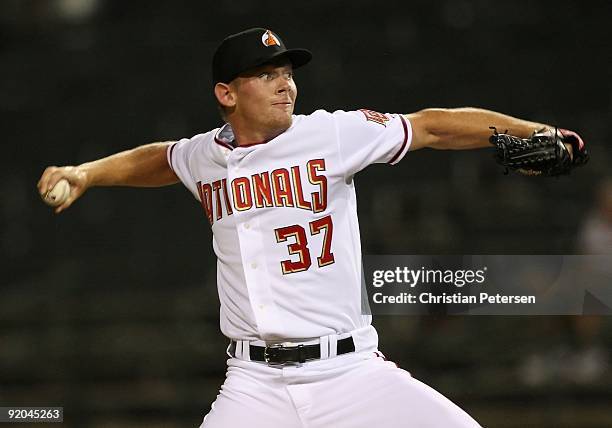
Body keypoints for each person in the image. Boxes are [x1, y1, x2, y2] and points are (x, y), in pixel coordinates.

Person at [37, 28, 586, 427]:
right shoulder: (205, 155)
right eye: (266, 75)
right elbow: (162, 159)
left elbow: (431, 128)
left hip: (350, 373)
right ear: (227, 94)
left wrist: (532, 129)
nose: (286, 85)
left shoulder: (331, 135)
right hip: (253, 385)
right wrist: (87, 173)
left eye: (287, 73)